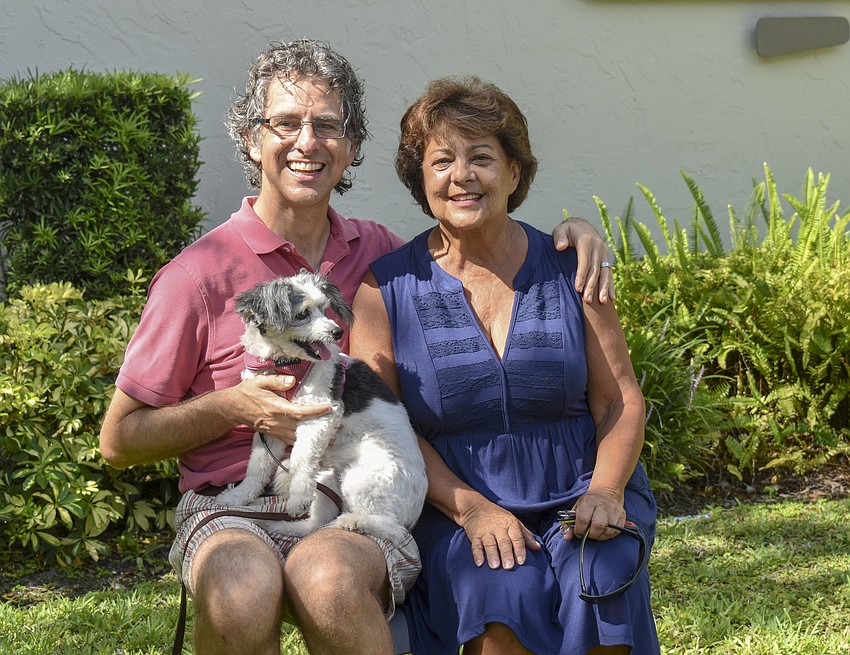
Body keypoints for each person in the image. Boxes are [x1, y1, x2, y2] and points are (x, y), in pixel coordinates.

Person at [99, 39, 612, 655]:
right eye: (284, 123)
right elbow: (118, 442)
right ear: (251, 139)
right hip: (232, 505)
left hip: (353, 494)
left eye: (326, 125)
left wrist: (573, 235)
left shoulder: (382, 259)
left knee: (329, 581)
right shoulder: (198, 275)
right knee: (242, 588)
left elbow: (473, 247)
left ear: (352, 146)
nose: (306, 142)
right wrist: (234, 407)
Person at [350, 75, 659, 655]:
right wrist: (469, 509)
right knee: (499, 596)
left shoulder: (572, 267)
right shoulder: (384, 289)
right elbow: (380, 428)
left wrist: (609, 490)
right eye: (441, 160)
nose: (461, 175)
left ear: (515, 173)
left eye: (482, 158)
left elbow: (618, 399)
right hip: (456, 499)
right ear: (421, 181)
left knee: (602, 576)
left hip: (582, 487)